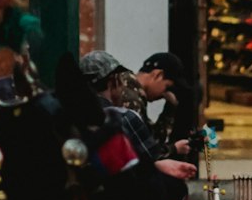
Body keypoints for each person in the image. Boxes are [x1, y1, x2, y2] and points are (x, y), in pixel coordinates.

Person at [79, 49, 195, 178]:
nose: (165, 94)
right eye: (167, 87)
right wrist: (173, 149)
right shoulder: (129, 101)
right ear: (158, 75)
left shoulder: (134, 96)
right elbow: (146, 153)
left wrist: (169, 108)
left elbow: (150, 137)